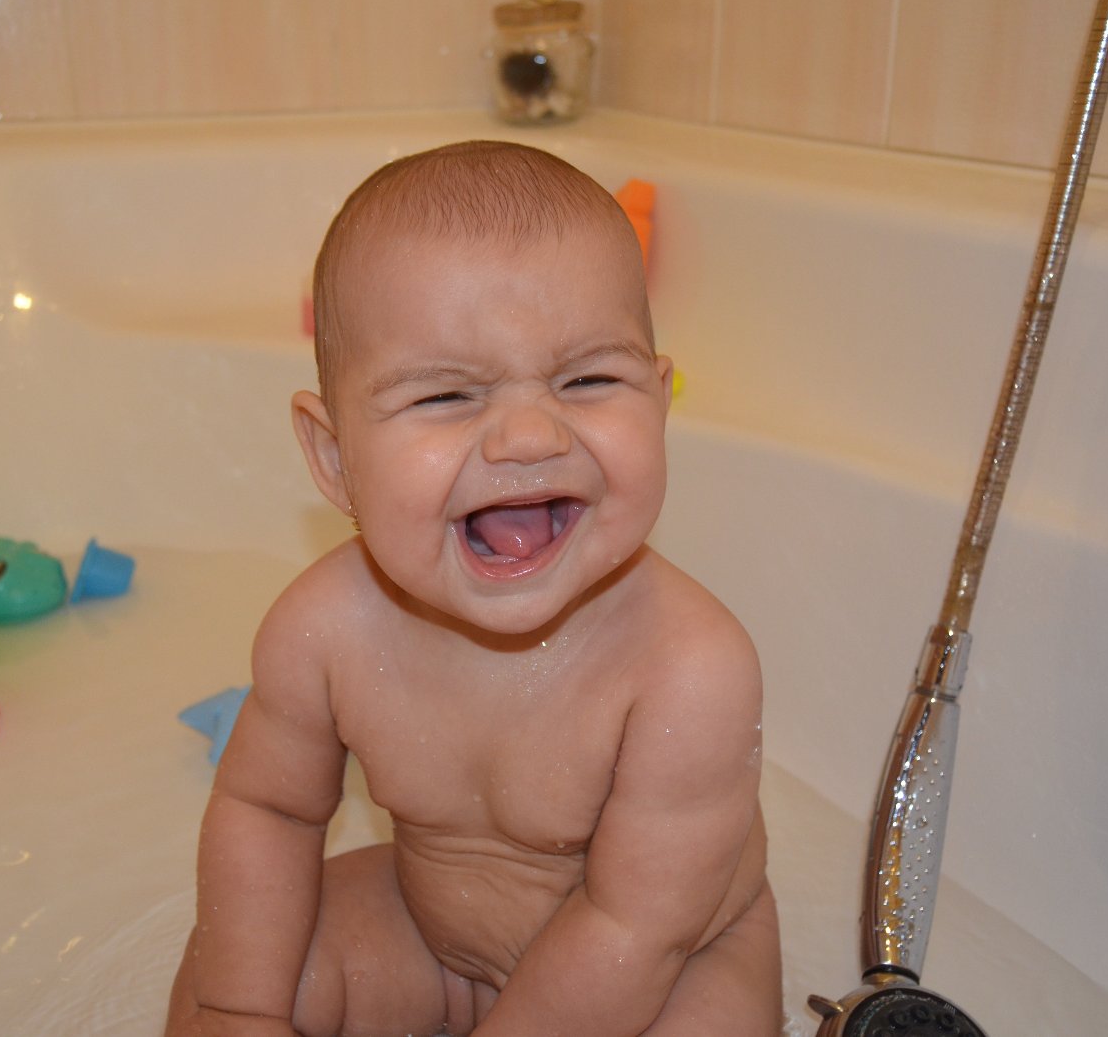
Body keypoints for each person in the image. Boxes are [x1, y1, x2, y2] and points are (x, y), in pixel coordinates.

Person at [165, 140, 780, 1036]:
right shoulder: (323, 629)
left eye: (588, 380)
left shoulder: (690, 667)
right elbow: (269, 810)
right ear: (334, 457)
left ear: (658, 401)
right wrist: (242, 1008)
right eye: (446, 397)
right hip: (432, 935)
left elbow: (636, 930)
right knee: (228, 972)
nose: (529, 436)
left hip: (668, 969)